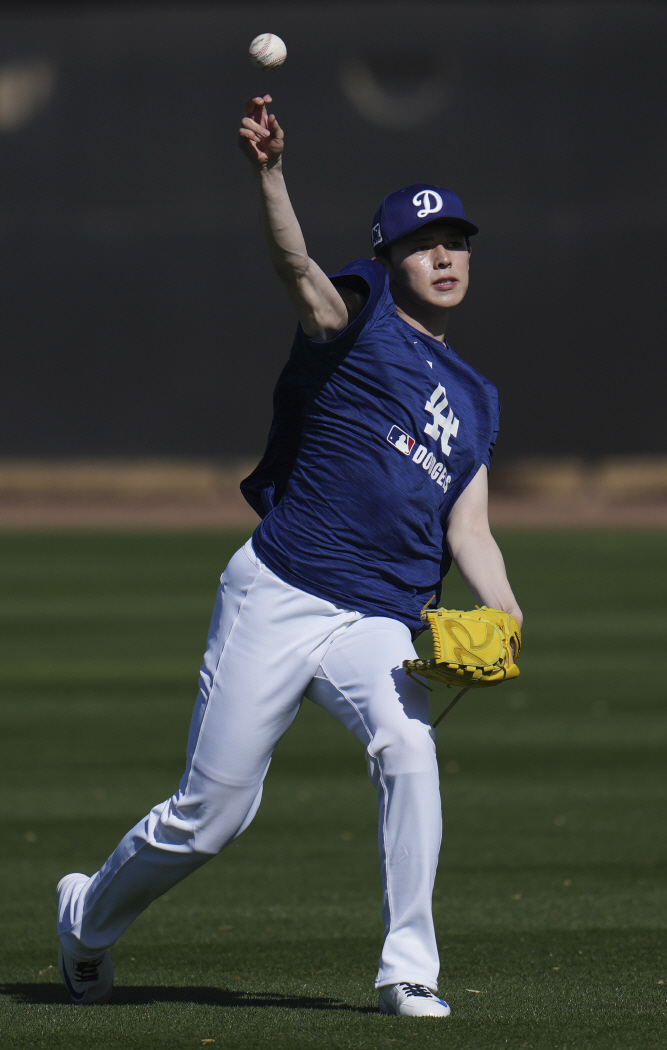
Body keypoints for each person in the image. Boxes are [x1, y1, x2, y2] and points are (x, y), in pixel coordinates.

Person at [56, 94, 522, 1018]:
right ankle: (86, 918)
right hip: (283, 590)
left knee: (409, 751)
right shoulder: (358, 319)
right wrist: (270, 174)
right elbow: (295, 267)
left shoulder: (477, 399)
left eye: (457, 241)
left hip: (379, 617)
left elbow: (468, 526)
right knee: (211, 815)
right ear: (390, 260)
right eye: (425, 242)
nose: (444, 255)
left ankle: (407, 970)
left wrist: (505, 610)